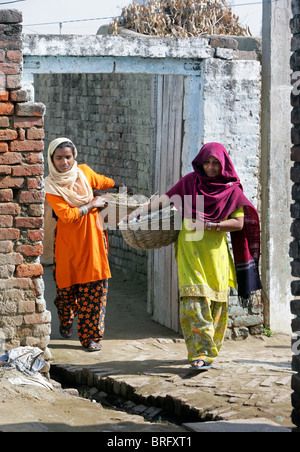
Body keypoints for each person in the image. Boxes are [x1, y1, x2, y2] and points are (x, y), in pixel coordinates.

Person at [131, 142, 262, 369]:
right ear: (200, 163)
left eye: (215, 163)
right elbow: (166, 199)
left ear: (223, 165)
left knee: (216, 306)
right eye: (207, 162)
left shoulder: (231, 190)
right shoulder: (190, 182)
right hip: (189, 251)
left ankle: (209, 352)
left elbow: (239, 223)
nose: (210, 167)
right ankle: (199, 354)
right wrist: (140, 211)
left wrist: (211, 225)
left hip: (215, 255)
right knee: (192, 304)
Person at [44, 137, 126, 352]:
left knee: (95, 290)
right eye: (59, 158)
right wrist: (93, 203)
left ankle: (91, 338)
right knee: (66, 293)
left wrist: (121, 187)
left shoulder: (84, 172)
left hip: (94, 240)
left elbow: (103, 181)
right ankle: (66, 319)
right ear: (51, 160)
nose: (64, 162)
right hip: (67, 244)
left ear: (75, 157)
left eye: (68, 157)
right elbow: (68, 215)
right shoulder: (51, 185)